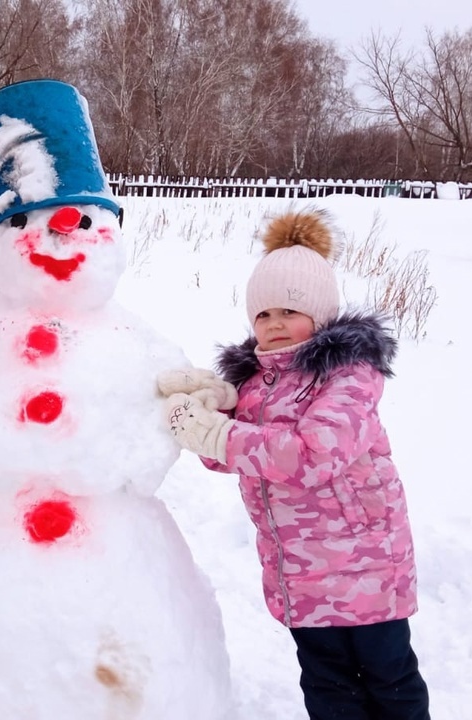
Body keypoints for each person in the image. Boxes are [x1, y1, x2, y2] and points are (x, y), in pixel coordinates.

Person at [158, 209, 429, 720]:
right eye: (263, 315)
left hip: (364, 569)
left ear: (322, 315)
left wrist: (223, 432)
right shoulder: (258, 383)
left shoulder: (348, 375)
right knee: (327, 685)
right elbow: (236, 459)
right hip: (300, 574)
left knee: (389, 680)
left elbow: (314, 456)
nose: (275, 323)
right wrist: (209, 410)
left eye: (289, 310)